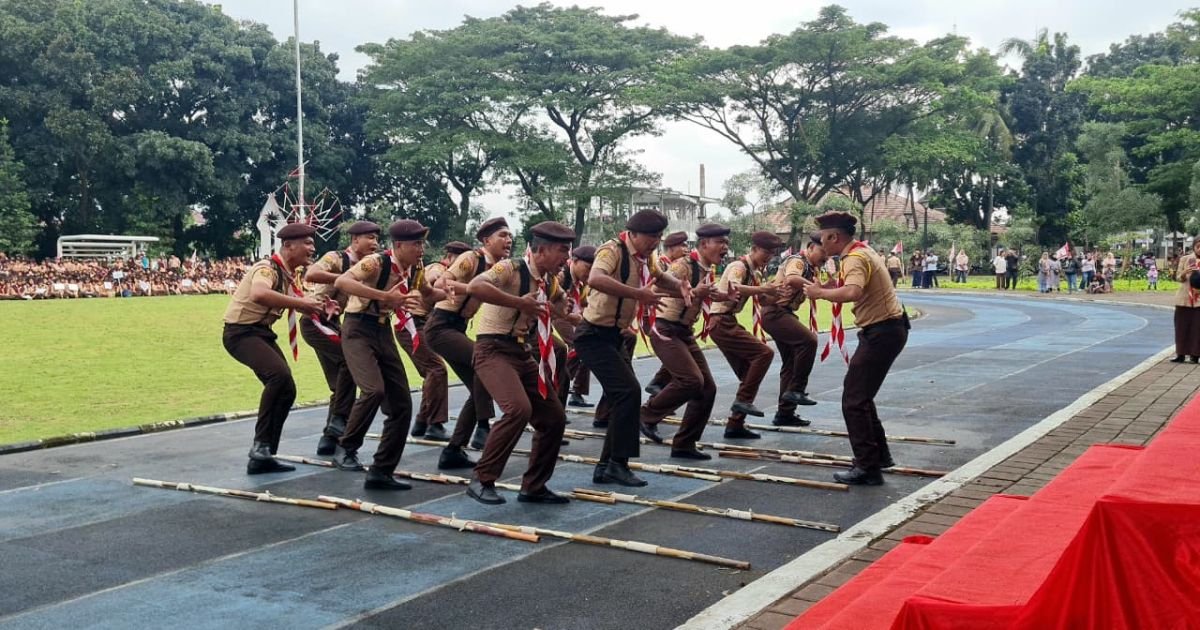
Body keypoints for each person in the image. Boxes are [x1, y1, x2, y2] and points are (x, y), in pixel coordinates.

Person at [573, 209, 691, 487]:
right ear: (634, 234)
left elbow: (661, 277)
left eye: (659, 237)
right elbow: (596, 278)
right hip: (592, 335)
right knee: (628, 392)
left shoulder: (644, 256)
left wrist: (684, 287)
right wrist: (639, 294)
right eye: (652, 236)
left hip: (613, 336)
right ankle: (616, 464)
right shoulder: (611, 250)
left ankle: (608, 466)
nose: (656, 242)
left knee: (624, 395)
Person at [464, 221, 576, 505]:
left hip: (520, 352)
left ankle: (534, 486)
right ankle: (482, 479)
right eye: (562, 251)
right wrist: (519, 303)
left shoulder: (549, 280)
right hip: (492, 349)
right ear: (542, 249)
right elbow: (476, 286)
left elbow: (562, 304)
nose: (567, 258)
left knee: (554, 417)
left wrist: (563, 311)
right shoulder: (511, 268)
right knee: (518, 410)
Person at [331, 220, 447, 490]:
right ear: (398, 245)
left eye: (422, 243)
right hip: (358, 328)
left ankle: (381, 470)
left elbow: (427, 293)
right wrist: (384, 296)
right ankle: (345, 448)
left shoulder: (415, 267)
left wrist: (449, 293)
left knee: (402, 404)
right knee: (373, 390)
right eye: (416, 244)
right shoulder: (375, 262)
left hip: (383, 332)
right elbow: (342, 281)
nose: (422, 248)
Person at [802, 211, 908, 486]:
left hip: (882, 332)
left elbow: (853, 292)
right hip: (887, 329)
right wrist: (828, 286)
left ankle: (867, 467)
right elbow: (852, 285)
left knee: (853, 399)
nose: (821, 244)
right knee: (861, 395)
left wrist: (820, 293)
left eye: (823, 239)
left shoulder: (855, 258)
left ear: (834, 237)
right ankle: (878, 456)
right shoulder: (862, 251)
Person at [222, 222, 323, 474]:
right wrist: (303, 304)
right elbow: (259, 294)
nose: (313, 248)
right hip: (241, 333)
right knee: (278, 377)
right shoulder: (267, 268)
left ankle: (264, 454)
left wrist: (317, 304)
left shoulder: (288, 273)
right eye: (307, 243)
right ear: (288, 246)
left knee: (287, 389)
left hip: (260, 333)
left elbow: (294, 299)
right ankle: (260, 448)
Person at [639, 223, 736, 460]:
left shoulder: (704, 268)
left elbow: (702, 293)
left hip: (683, 332)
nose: (725, 247)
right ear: (704, 245)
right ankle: (643, 415)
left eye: (726, 243)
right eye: (720, 242)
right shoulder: (682, 265)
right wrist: (693, 292)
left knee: (707, 388)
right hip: (665, 329)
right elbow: (655, 287)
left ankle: (684, 444)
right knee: (691, 380)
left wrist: (724, 297)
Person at [426, 218, 512, 469]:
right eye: (502, 235)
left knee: (480, 382)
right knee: (486, 366)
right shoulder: (470, 258)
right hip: (441, 325)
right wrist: (477, 289)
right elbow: (443, 282)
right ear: (486, 240)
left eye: (509, 236)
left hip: (458, 327)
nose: (508, 240)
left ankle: (454, 450)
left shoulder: (499, 267)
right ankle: (484, 427)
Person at [301, 220, 381, 455]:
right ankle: (338, 420)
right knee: (350, 360)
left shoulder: (368, 266)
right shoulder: (336, 258)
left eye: (376, 238)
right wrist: (342, 278)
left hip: (333, 323)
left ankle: (330, 436)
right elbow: (311, 273)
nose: (375, 243)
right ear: (355, 240)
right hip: (315, 322)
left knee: (339, 383)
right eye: (370, 238)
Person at [708, 231, 785, 437]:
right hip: (721, 321)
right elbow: (735, 288)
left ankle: (734, 425)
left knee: (747, 374)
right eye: (765, 252)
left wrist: (776, 295)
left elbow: (762, 301)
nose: (768, 257)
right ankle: (742, 402)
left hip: (726, 321)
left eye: (771, 253)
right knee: (764, 354)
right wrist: (763, 289)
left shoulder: (756, 273)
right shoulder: (738, 266)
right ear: (753, 249)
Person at [403, 241, 471, 441]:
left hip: (424, 323)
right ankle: (434, 424)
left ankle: (422, 421)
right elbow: (432, 278)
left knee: (433, 371)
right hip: (413, 324)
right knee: (436, 369)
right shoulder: (438, 268)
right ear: (450, 257)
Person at [762, 234, 825, 426]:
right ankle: (797, 389)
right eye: (823, 252)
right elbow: (791, 278)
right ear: (812, 247)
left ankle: (785, 413)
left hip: (783, 313)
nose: (826, 257)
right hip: (776, 313)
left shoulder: (812, 266)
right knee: (809, 341)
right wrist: (814, 287)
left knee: (790, 363)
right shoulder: (798, 260)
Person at [644, 231, 691, 397]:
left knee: (674, 355)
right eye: (682, 245)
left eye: (686, 245)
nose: (686, 249)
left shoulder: (674, 263)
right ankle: (658, 387)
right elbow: (654, 288)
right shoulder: (662, 265)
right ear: (670, 248)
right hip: (653, 313)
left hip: (662, 312)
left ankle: (659, 391)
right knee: (673, 354)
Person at [557, 246, 596, 408]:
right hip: (555, 315)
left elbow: (584, 301)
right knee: (580, 343)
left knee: (589, 342)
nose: (589, 273)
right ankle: (560, 390)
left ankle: (577, 391)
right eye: (587, 268)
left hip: (568, 314)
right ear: (574, 261)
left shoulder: (579, 280)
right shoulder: (561, 276)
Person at [1173, 239, 1200, 363]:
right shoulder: (1185, 259)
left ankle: (1195, 355)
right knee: (1181, 327)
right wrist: (1184, 273)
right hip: (1184, 298)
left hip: (1198, 300)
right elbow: (1178, 278)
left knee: (1197, 328)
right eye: (1198, 246)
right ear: (1194, 246)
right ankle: (1181, 354)